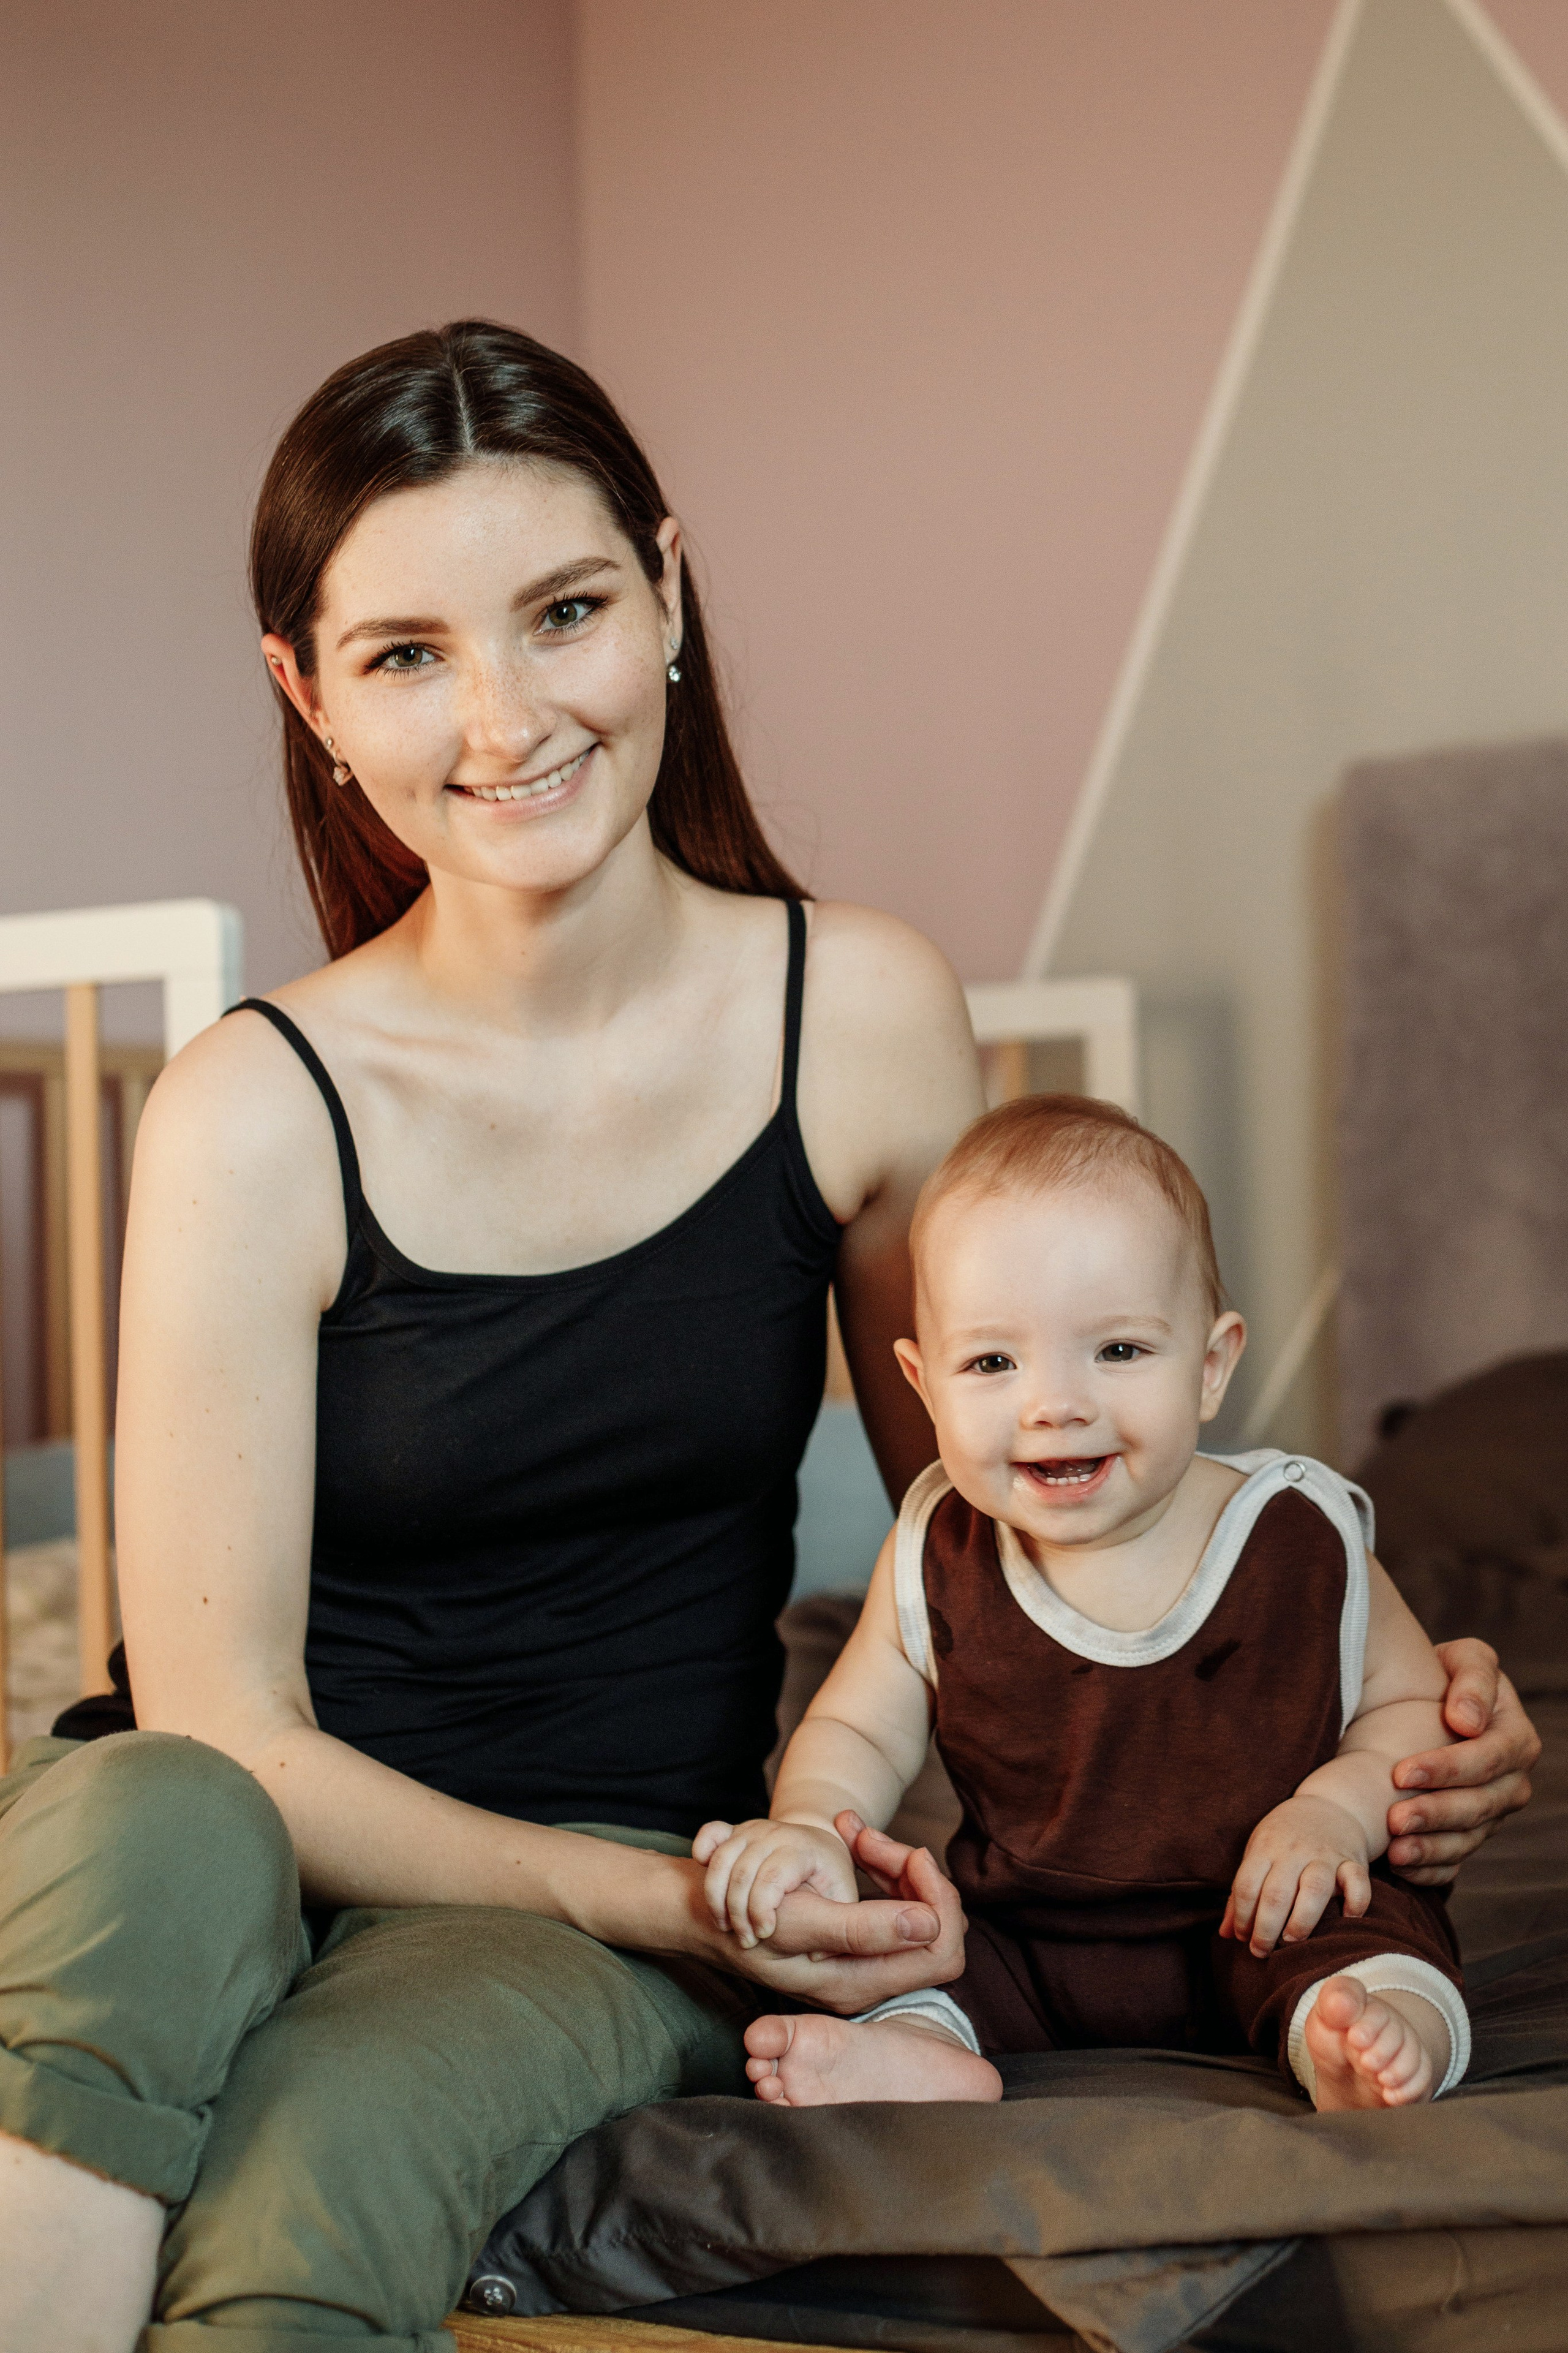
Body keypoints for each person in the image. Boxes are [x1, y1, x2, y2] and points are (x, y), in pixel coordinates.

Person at [0, 325, 1536, 2353]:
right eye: (405, 654)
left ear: (670, 595)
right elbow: (227, 1734)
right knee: (144, 1800)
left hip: (624, 1857)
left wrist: (1376, 1708)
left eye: (564, 613)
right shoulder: (248, 1107)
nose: (505, 715)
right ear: (307, 691)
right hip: (242, 1834)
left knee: (319, 2162)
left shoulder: (859, 1017)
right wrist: (692, 1909)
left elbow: (1019, 1559)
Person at [704, 1097, 1471, 2112]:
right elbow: (855, 1725)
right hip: (1034, 1930)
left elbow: (1410, 1711)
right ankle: (929, 2053)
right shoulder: (939, 1544)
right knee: (923, 1950)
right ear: (923, 1383)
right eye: (992, 1361)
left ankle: (1361, 2037)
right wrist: (807, 1823)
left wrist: (1334, 1810)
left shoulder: (1297, 1534)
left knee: (1377, 1943)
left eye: (1116, 1350)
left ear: (1210, 1365)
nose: (1053, 1402)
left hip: (1278, 1906)